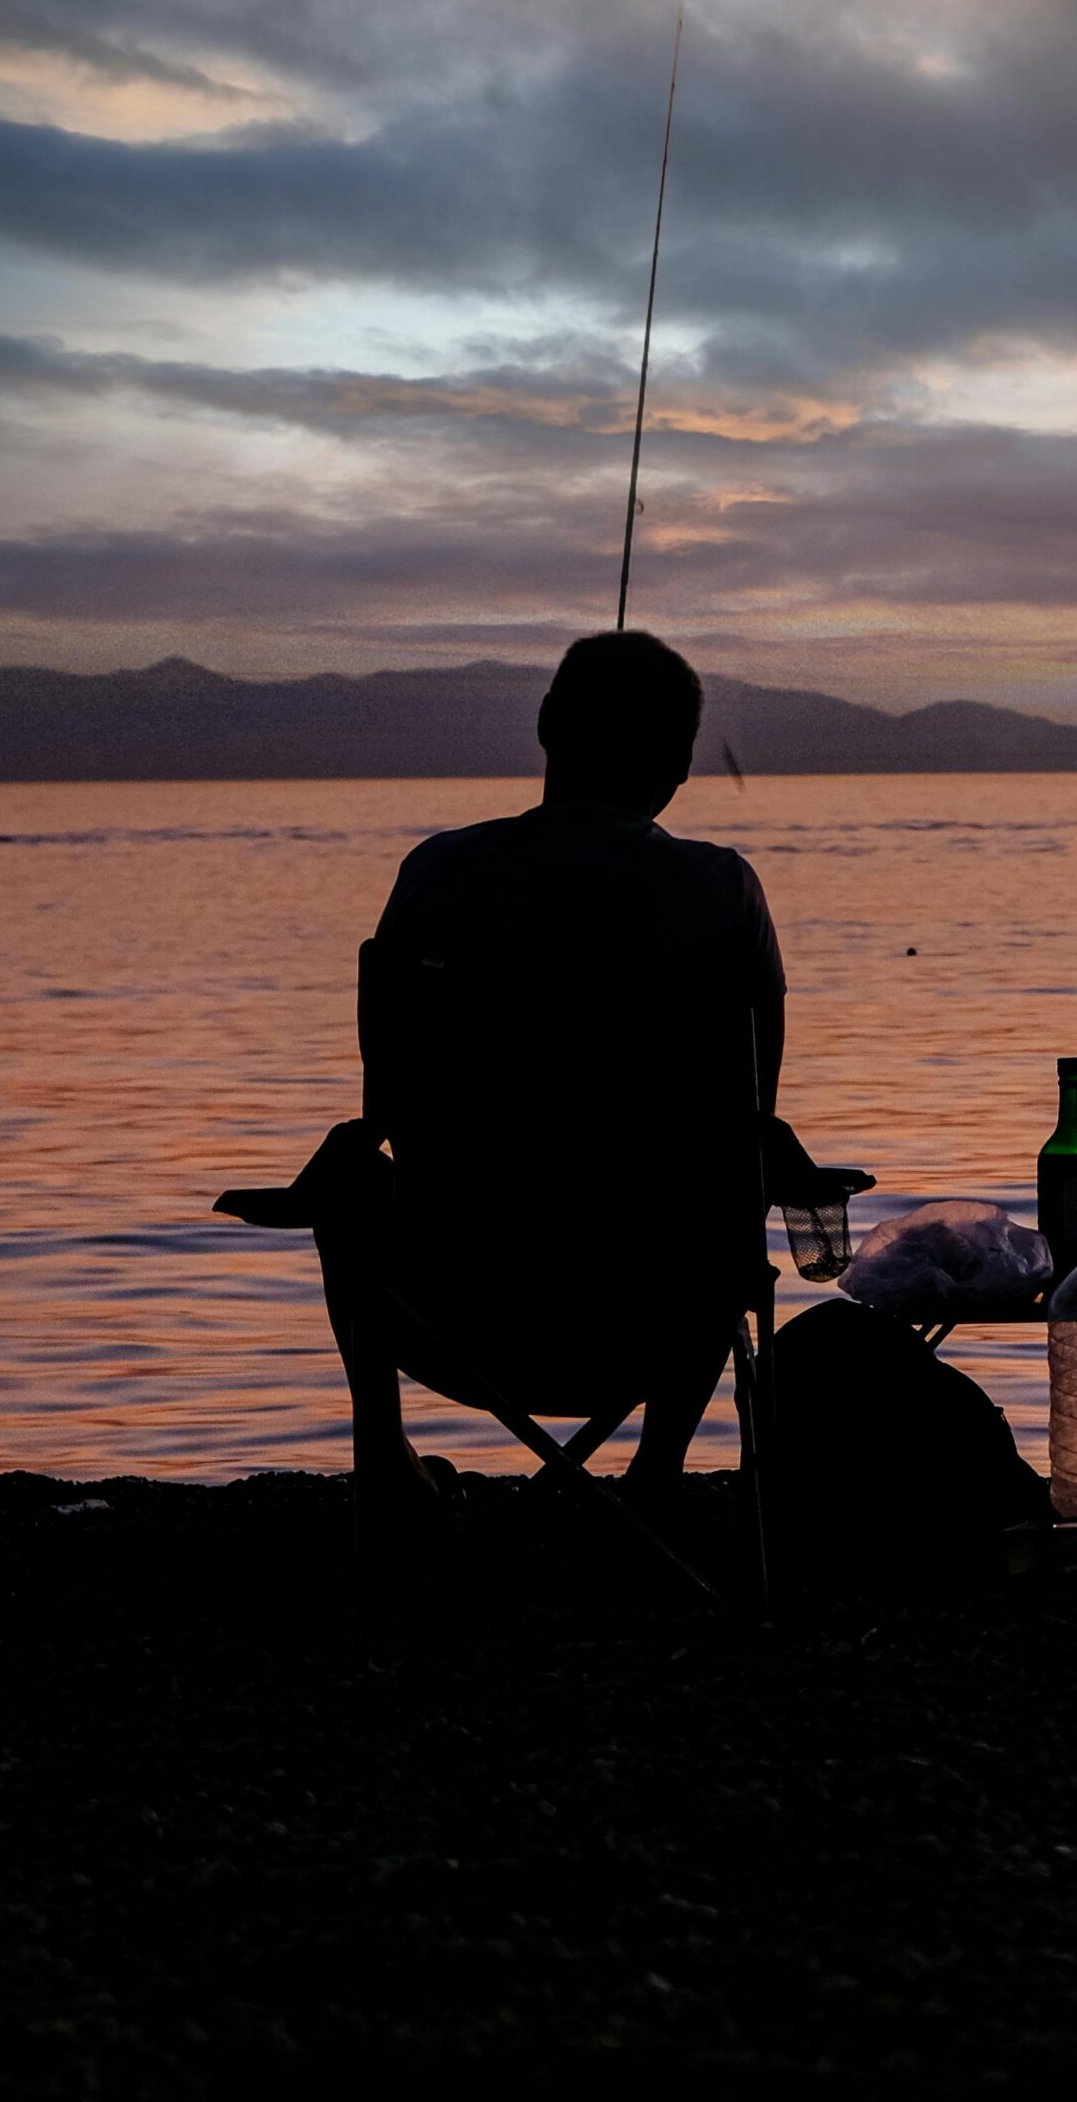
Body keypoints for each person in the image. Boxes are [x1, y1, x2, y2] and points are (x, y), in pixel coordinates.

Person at [333, 630, 785, 1532]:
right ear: (681, 765)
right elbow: (753, 1107)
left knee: (352, 1168)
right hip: (653, 1316)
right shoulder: (724, 891)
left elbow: (387, 1101)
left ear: (545, 726)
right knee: (734, 1177)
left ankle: (382, 1457)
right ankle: (656, 1477)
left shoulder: (434, 876)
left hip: (450, 1310)